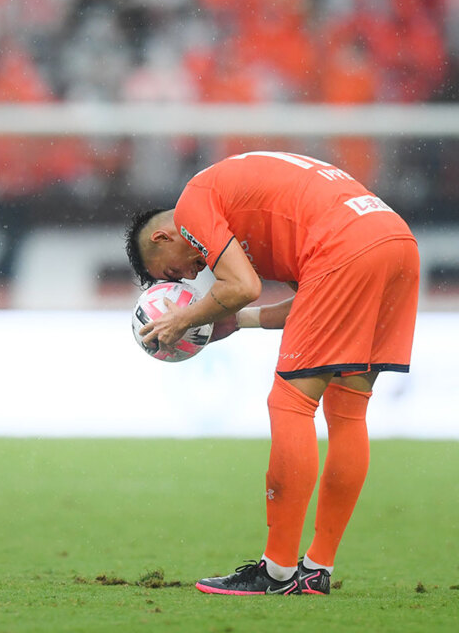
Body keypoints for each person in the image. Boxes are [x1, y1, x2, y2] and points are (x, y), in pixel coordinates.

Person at [124, 151, 419, 596]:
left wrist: (182, 320)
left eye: (172, 271)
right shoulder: (246, 216)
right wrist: (235, 322)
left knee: (290, 403)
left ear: (164, 237)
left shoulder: (192, 205)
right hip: (395, 241)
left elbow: (244, 287)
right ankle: (317, 569)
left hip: (345, 246)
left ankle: (277, 571)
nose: (188, 276)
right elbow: (309, 300)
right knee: (347, 410)